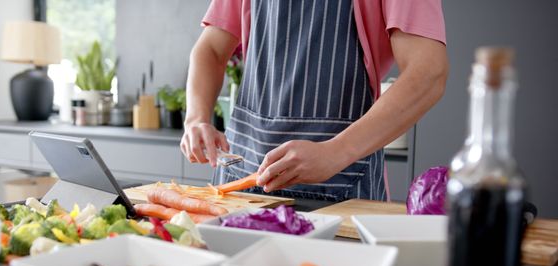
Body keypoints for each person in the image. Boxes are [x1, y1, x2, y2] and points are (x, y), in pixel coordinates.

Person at [181, 0, 448, 201]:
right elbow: (211, 49)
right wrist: (196, 119)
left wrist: (335, 152)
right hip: (239, 177)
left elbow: (428, 73)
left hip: (340, 185)